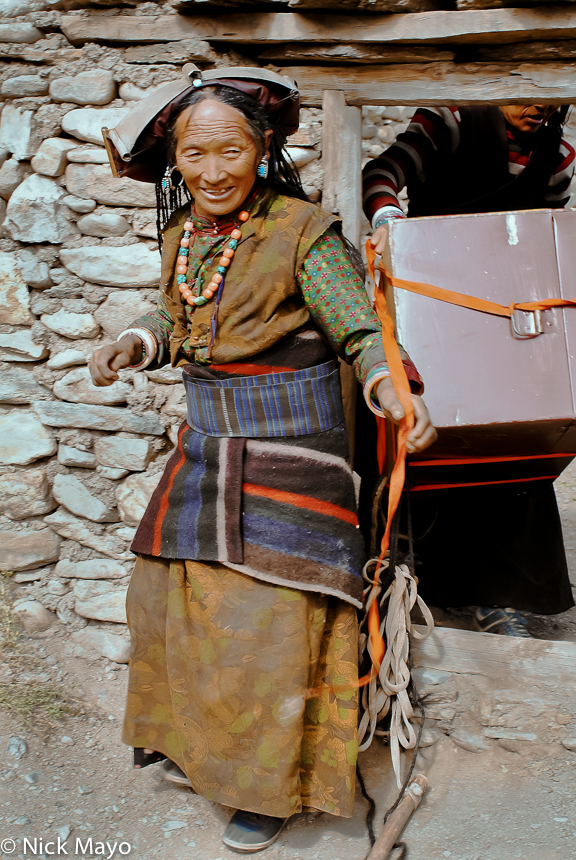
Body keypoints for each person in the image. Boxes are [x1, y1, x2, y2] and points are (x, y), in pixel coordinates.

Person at [90, 65, 437, 853]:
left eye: (230, 151)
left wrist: (390, 384)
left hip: (291, 456)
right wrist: (136, 343)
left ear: (264, 149)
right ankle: (206, 753)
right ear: (175, 160)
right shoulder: (183, 237)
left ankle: (273, 788)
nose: (212, 173)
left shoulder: (302, 233)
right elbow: (179, 315)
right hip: (210, 448)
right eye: (195, 155)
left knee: (268, 625)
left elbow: (358, 327)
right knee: (168, 597)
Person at [362, 104, 576, 638]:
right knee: (436, 430)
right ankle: (418, 584)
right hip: (436, 302)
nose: (538, 108)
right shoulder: (450, 122)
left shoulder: (559, 154)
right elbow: (382, 174)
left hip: (508, 318)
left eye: (548, 101)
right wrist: (391, 222)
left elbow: (542, 235)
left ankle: (505, 596)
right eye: (522, 95)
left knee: (515, 442)